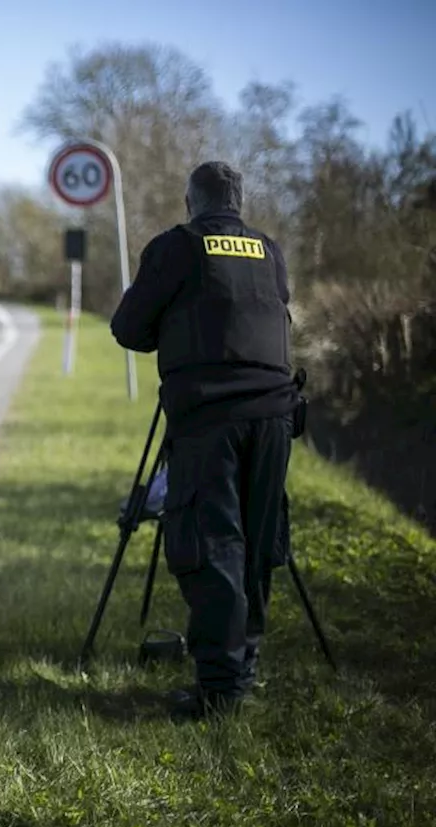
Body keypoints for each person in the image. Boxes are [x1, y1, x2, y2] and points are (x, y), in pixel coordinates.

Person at [110, 161, 303, 721]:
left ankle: (219, 691)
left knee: (213, 541)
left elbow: (128, 328)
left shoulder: (176, 247)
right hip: (275, 417)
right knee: (258, 537)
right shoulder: (269, 250)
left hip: (208, 419)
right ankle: (244, 666)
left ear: (190, 202)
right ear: (238, 203)